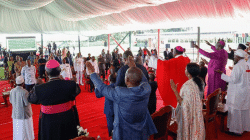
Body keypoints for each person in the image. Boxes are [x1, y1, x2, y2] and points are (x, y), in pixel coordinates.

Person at [86, 57, 157, 139]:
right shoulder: (146, 89)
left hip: (124, 135)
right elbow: (142, 78)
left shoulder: (121, 93)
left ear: (126, 80)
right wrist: (133, 67)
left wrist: (92, 73)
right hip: (142, 133)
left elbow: (102, 88)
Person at [28, 60, 80, 140]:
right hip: (67, 118)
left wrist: (38, 84)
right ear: (60, 71)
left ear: (46, 73)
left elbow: (31, 99)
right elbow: (77, 91)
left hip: (48, 121)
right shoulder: (70, 84)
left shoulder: (40, 88)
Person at [216, 49, 250, 135]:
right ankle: (245, 127)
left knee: (236, 111)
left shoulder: (238, 66)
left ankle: (236, 130)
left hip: (237, 92)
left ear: (238, 57)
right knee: (244, 109)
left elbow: (233, 80)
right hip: (245, 91)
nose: (234, 58)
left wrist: (222, 74)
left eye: (234, 56)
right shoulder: (246, 65)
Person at [170, 63, 205, 140]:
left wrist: (174, 90)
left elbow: (182, 104)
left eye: (185, 69)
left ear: (189, 72)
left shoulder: (187, 85)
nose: (184, 70)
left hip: (190, 115)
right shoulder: (200, 82)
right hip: (198, 112)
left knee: (187, 133)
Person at [10, 76, 34, 140]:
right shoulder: (25, 92)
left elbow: (11, 101)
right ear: (23, 83)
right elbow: (27, 103)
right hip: (24, 114)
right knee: (26, 130)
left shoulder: (12, 91)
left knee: (18, 129)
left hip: (15, 113)